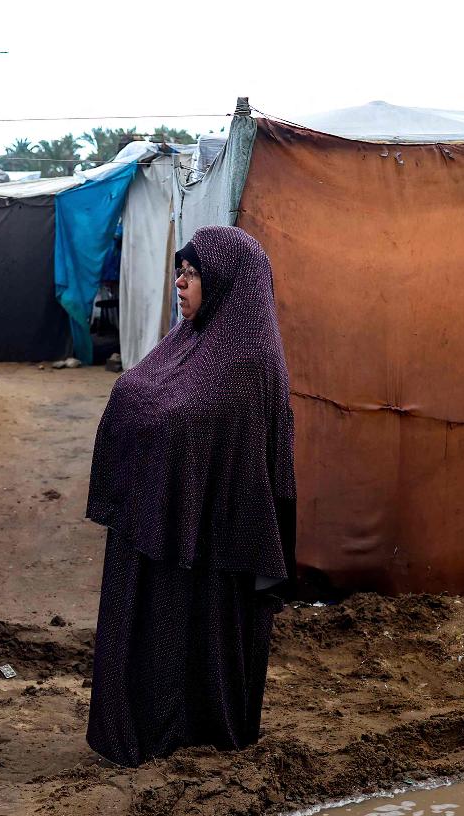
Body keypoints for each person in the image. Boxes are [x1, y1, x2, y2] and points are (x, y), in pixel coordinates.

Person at [84, 225, 296, 768]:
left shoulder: (246, 362)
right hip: (162, 522)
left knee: (191, 637)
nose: (180, 283)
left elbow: (223, 449)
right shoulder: (187, 340)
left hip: (214, 548)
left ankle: (192, 728)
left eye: (193, 273)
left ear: (226, 282)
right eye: (180, 271)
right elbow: (145, 395)